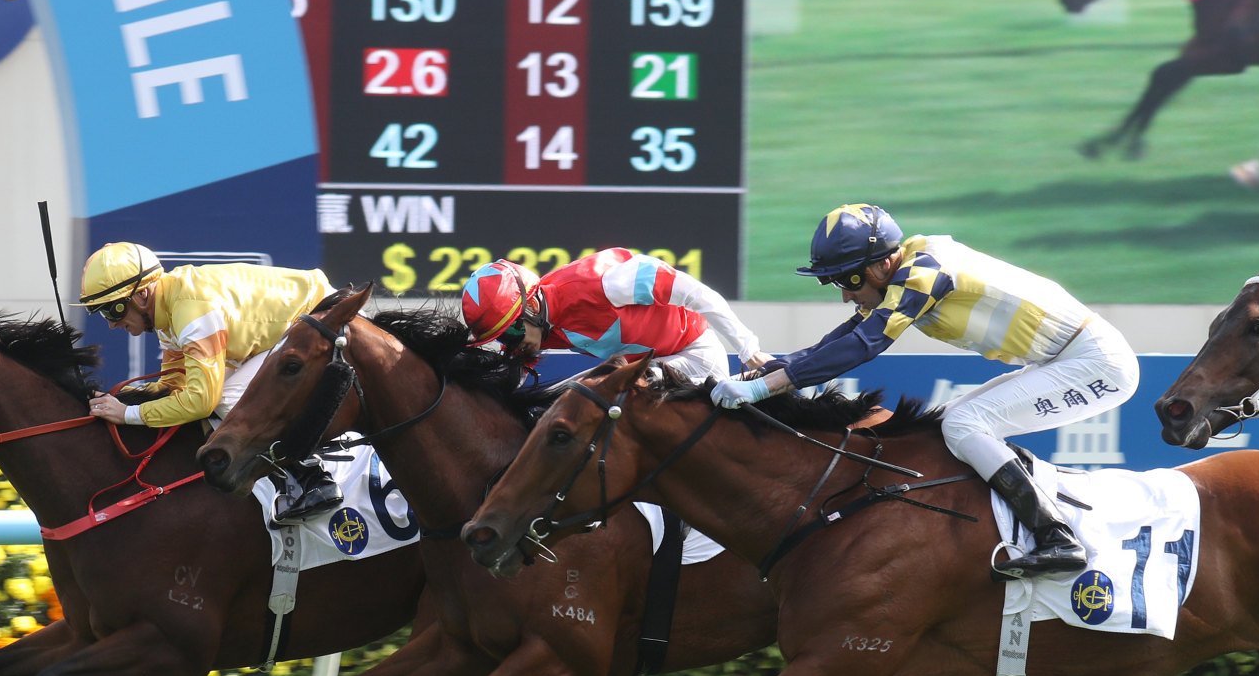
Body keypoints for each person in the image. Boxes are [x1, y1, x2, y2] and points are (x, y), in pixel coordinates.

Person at [709, 204, 1140, 580]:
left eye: (846, 281)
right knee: (942, 429)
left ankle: (1058, 538)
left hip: (1096, 363)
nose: (845, 295)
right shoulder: (905, 270)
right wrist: (770, 372)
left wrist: (765, 387)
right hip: (1060, 360)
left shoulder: (927, 271)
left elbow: (865, 344)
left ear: (881, 265)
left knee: (964, 424)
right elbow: (844, 336)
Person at [78, 242, 343, 522]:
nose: (111, 324)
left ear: (142, 295)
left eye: (113, 310)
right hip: (297, 326)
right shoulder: (168, 308)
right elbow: (175, 385)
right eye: (103, 313)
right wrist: (123, 399)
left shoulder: (191, 310)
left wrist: (127, 414)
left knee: (226, 397)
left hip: (321, 321)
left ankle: (312, 477)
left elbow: (200, 401)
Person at [460, 248, 770, 381]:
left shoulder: (604, 284)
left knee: (606, 395)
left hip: (696, 355)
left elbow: (697, 294)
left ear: (533, 307)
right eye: (502, 337)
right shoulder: (536, 327)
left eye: (511, 332)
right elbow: (510, 377)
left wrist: (749, 350)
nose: (511, 344)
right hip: (644, 369)